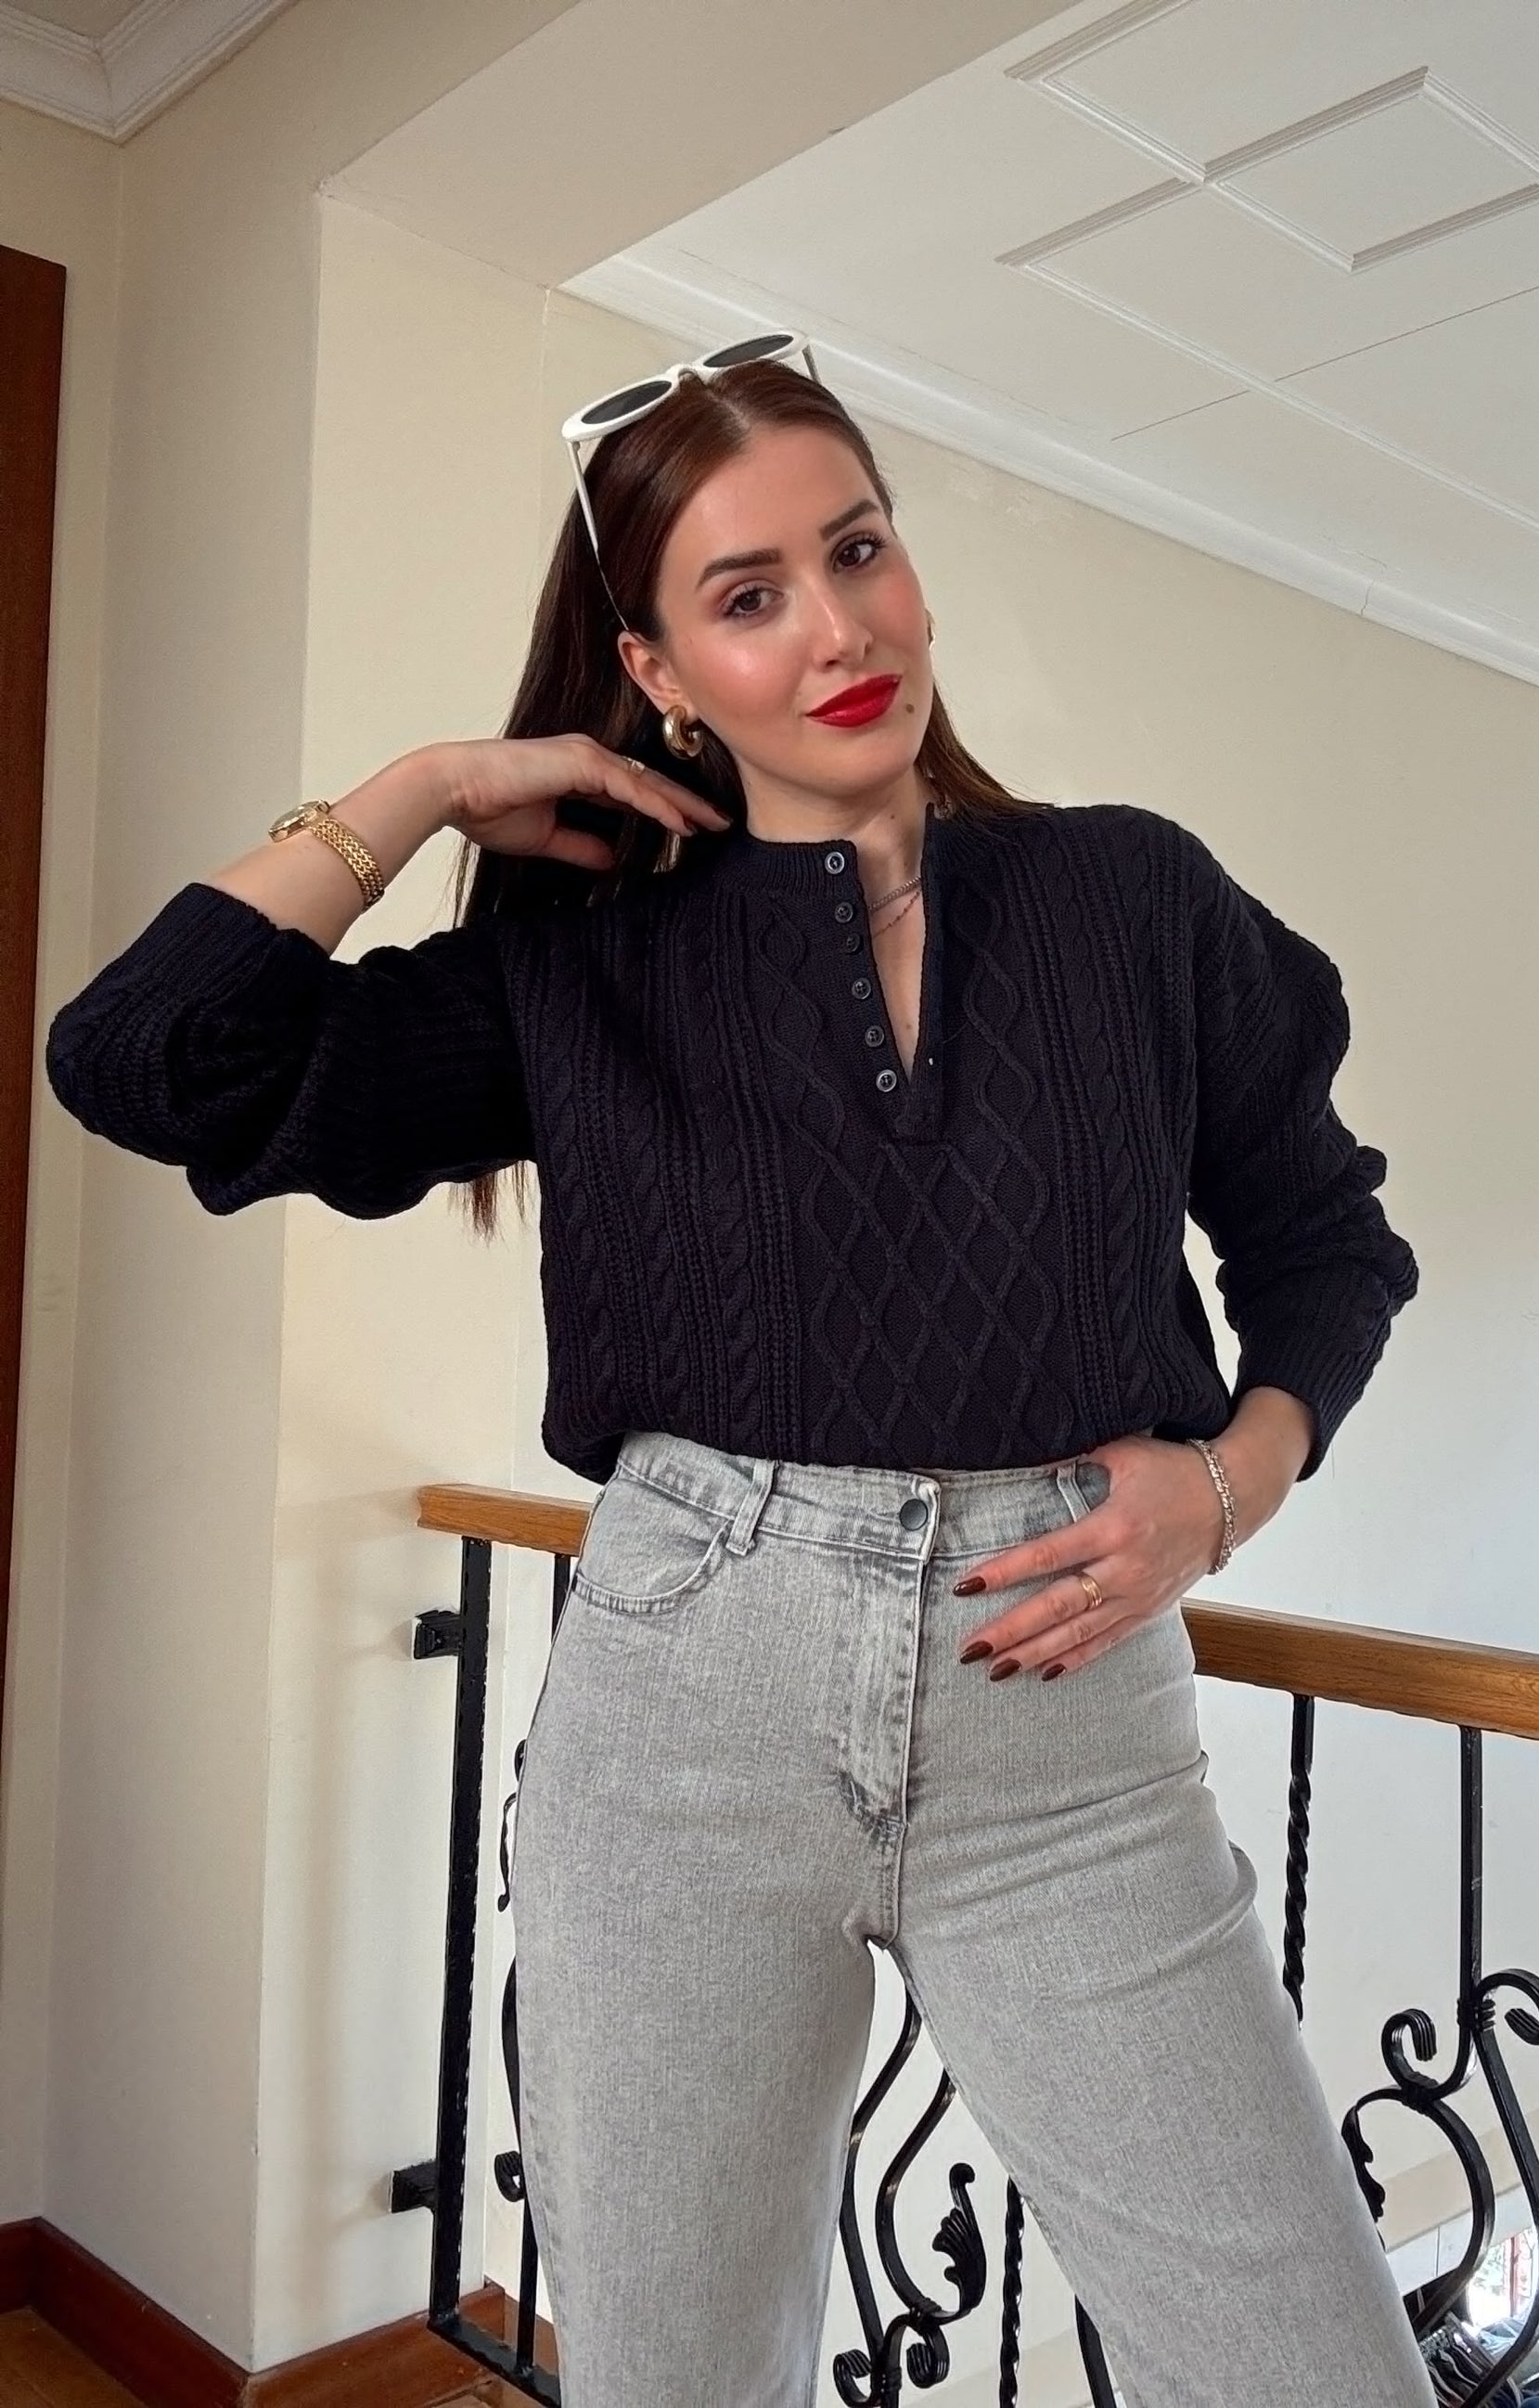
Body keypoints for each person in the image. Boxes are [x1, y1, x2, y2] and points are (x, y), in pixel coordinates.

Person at [43, 335, 1430, 2408]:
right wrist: (427, 789)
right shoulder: (580, 960)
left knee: (1309, 2367)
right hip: (680, 1724)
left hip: (1067, 1740)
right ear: (659, 669)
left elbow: (1324, 1240)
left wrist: (1229, 1482)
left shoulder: (1124, 894)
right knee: (676, 2380)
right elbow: (142, 1060)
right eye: (749, 593)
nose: (838, 629)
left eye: (857, 550)